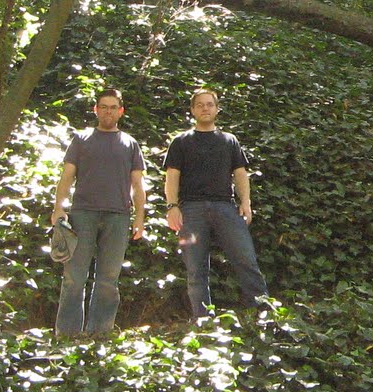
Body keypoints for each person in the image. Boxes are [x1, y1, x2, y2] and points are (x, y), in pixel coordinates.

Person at [50, 88, 147, 335]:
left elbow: (138, 185)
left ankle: (100, 334)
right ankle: (67, 335)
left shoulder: (130, 144)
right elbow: (67, 176)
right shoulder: (81, 139)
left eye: (113, 108)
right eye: (103, 107)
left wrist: (139, 218)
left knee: (108, 280)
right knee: (74, 278)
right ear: (95, 109)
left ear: (121, 111)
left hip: (118, 216)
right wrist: (59, 207)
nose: (108, 112)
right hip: (83, 214)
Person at [163, 88, 268, 317]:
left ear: (217, 109)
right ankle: (203, 323)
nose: (205, 108)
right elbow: (172, 176)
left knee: (247, 261)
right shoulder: (181, 141)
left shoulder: (229, 141)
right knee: (195, 270)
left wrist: (246, 202)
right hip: (191, 210)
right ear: (192, 110)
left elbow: (240, 173)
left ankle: (264, 317)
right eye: (200, 105)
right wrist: (172, 206)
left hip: (226, 207)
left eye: (209, 104)